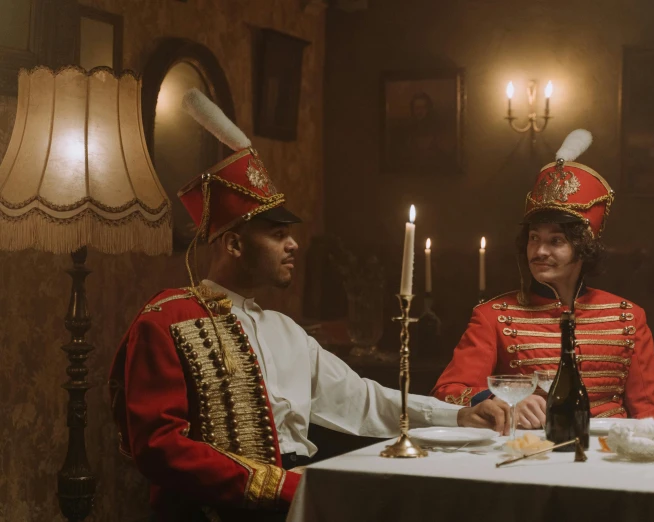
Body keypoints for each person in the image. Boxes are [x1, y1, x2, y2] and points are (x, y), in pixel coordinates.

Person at [109, 89, 506, 521]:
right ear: (235, 244)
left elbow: (362, 400)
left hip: (302, 492)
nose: (294, 244)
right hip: (217, 510)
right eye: (278, 234)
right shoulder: (168, 318)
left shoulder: (284, 329)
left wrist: (458, 415)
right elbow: (159, 446)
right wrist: (282, 487)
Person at [432, 129, 654, 430]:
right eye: (534, 238)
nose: (540, 251)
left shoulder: (630, 316)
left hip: (610, 457)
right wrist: (500, 401)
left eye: (555, 241)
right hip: (528, 453)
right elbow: (448, 393)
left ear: (583, 248)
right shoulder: (491, 317)